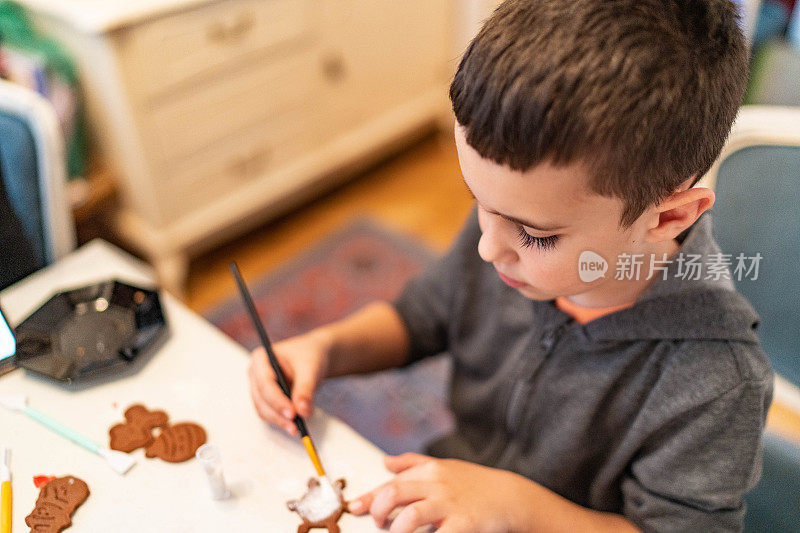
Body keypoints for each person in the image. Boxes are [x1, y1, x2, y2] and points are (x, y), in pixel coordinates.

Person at [248, 1, 774, 531]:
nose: (488, 247)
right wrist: (327, 350)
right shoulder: (507, 228)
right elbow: (422, 317)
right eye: (479, 201)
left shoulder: (717, 381)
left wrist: (518, 508)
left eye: (534, 234)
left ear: (670, 216)